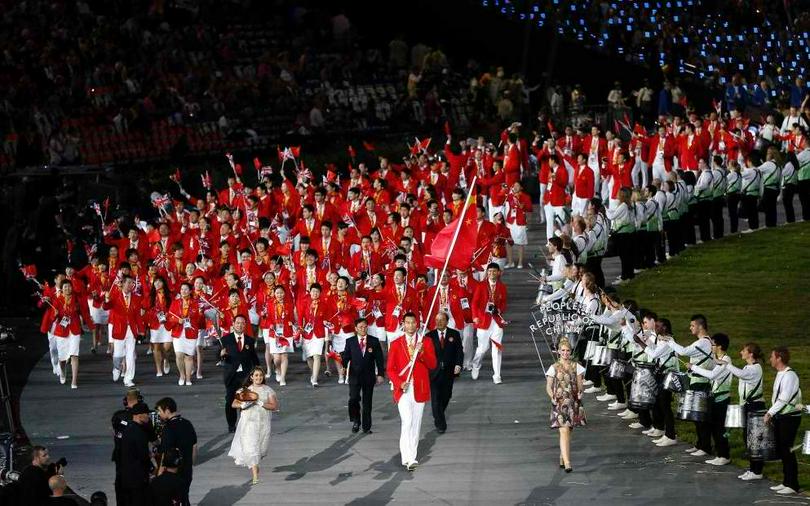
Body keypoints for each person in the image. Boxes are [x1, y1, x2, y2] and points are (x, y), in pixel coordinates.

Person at [386, 312, 437, 471]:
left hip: (420, 387)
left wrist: (421, 352)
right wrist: (400, 384)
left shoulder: (426, 342)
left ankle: (412, 458)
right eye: (407, 323)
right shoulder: (395, 344)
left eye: (413, 323)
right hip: (404, 389)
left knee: (416, 423)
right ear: (403, 324)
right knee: (407, 421)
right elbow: (390, 369)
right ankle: (406, 457)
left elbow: (432, 364)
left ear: (418, 324)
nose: (410, 326)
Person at [668, 314, 714, 457]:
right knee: (697, 416)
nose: (690, 328)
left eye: (692, 325)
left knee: (700, 417)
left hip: (701, 383)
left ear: (700, 326)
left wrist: (670, 341)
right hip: (697, 381)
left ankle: (705, 447)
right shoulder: (703, 342)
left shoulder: (703, 343)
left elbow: (683, 351)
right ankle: (700, 444)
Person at [228, 367, 279, 485]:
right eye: (256, 375)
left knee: (261, 449)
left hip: (263, 423)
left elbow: (274, 406)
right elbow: (234, 404)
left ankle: (255, 465)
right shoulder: (245, 390)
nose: (258, 378)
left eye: (260, 375)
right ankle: (255, 475)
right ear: (251, 377)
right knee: (251, 448)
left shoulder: (268, 390)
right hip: (249, 422)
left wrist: (259, 402)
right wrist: (244, 404)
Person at [687, 333, 732, 466]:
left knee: (720, 428)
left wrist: (694, 367)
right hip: (715, 398)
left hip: (722, 399)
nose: (711, 346)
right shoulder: (717, 358)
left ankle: (724, 455)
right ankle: (720, 453)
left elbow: (712, 375)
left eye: (713, 344)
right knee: (714, 427)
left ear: (720, 346)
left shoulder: (726, 360)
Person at [723, 342, 765, 481]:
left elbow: (740, 374)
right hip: (748, 405)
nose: (741, 352)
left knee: (754, 439)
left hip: (755, 406)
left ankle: (757, 471)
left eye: (744, 350)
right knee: (747, 438)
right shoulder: (749, 367)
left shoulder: (755, 368)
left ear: (750, 354)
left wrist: (725, 364)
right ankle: (753, 469)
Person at [764, 347, 802, 495]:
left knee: (787, 450)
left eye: (772, 356)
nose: (770, 359)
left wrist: (770, 412)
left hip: (790, 418)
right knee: (782, 449)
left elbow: (784, 398)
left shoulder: (790, 375)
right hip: (782, 417)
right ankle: (787, 481)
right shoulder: (781, 374)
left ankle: (793, 484)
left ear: (779, 358)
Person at [545, 337, 586, 472]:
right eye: (563, 350)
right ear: (558, 352)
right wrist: (552, 397)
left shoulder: (577, 367)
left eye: (568, 350)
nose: (565, 353)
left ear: (571, 352)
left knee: (569, 431)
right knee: (563, 430)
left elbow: (580, 385)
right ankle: (568, 462)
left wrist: (580, 393)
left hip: (573, 402)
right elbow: (549, 387)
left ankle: (562, 456)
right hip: (560, 402)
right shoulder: (553, 367)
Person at [341, 318, 385, 434]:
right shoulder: (350, 341)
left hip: (369, 376)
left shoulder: (374, 341)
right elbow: (346, 357)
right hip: (354, 376)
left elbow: (379, 359)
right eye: (360, 327)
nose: (363, 329)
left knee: (367, 402)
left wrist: (380, 374)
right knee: (353, 399)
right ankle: (356, 420)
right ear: (356, 329)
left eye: (365, 327)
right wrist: (343, 366)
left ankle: (366, 426)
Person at [220, 315, 260, 433]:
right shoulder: (225, 339)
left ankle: (245, 423)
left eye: (242, 323)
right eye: (237, 323)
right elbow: (219, 356)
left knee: (246, 401)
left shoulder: (250, 340)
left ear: (245, 325)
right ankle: (231, 425)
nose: (240, 325)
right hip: (231, 376)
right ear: (233, 324)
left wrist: (259, 372)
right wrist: (221, 355)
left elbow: (254, 358)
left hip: (245, 376)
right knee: (230, 401)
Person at [155, 397, 197, 505]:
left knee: (173, 500)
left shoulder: (168, 428)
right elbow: (194, 446)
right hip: (187, 469)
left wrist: (160, 473)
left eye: (160, 411)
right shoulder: (187, 423)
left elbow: (166, 452)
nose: (159, 414)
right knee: (184, 496)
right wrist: (191, 464)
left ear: (167, 410)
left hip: (173, 471)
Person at [470, 263, 508, 384]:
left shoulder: (502, 287)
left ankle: (497, 375)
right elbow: (474, 303)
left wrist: (499, 310)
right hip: (483, 321)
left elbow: (503, 303)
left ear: (498, 272)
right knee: (482, 348)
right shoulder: (481, 286)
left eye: (494, 271)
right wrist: (475, 316)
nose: (491, 274)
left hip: (496, 321)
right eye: (489, 271)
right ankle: (476, 364)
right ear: (487, 273)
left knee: (497, 348)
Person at [426, 312, 463, 434]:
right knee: (435, 398)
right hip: (434, 373)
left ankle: (438, 413)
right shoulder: (429, 336)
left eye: (442, 320)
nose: (439, 322)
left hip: (449, 371)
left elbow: (459, 351)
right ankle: (441, 424)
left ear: (447, 321)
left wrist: (458, 364)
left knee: (446, 396)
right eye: (437, 320)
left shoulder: (454, 334)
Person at [119, 402, 154, 506]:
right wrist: (152, 469)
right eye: (147, 414)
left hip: (126, 477)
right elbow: (143, 457)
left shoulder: (128, 429)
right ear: (139, 415)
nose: (148, 416)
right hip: (138, 479)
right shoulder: (139, 433)